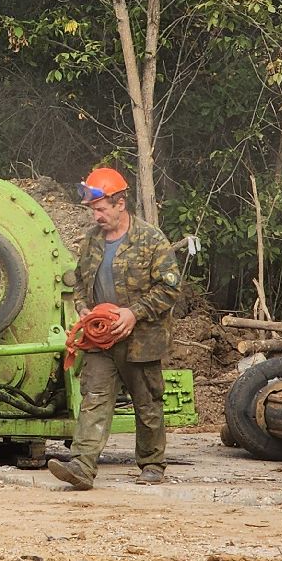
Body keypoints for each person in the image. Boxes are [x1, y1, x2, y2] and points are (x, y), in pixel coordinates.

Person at [48, 167, 182, 490]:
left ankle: (152, 463)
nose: (96, 216)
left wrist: (134, 313)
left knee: (147, 402)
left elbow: (170, 288)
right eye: (93, 210)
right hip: (101, 339)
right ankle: (82, 465)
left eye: (101, 209)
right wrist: (83, 309)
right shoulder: (92, 241)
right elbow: (79, 281)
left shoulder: (150, 240)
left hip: (141, 339)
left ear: (120, 204)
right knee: (94, 397)